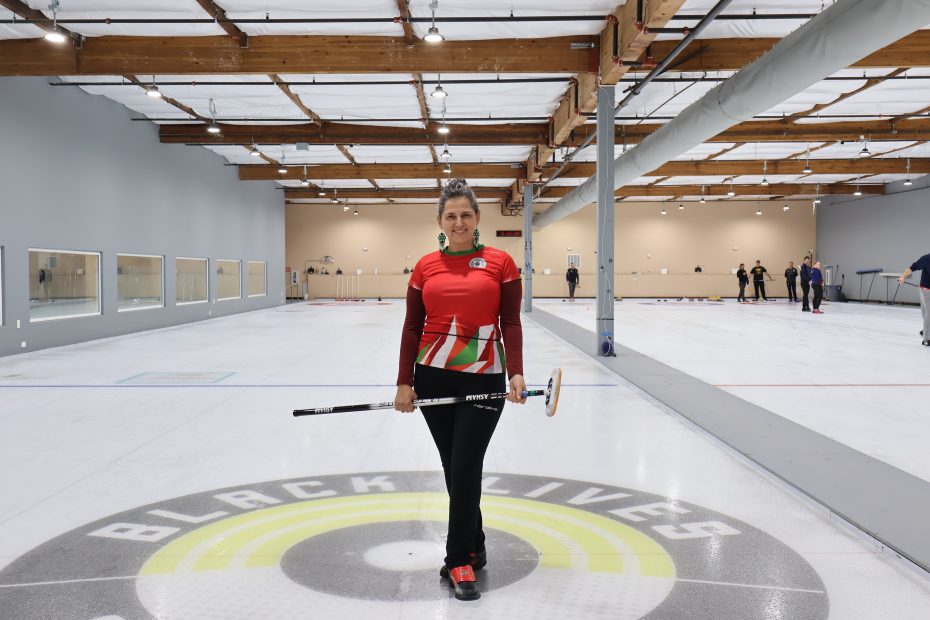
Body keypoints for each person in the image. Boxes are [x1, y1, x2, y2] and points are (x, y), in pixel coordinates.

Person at [394, 179, 526, 601]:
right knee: (455, 467)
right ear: (440, 221)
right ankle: (477, 544)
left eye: (466, 215)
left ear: (477, 219)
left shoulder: (501, 263)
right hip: (432, 376)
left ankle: (459, 560)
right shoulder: (425, 267)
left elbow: (512, 323)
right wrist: (403, 381)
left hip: (485, 377)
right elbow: (412, 325)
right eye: (450, 216)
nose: (458, 222)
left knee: (467, 464)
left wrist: (516, 374)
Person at [897, 251, 930, 346]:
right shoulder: (926, 259)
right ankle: (927, 339)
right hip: (926, 290)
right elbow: (913, 267)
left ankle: (926, 330)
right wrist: (902, 277)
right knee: (928, 313)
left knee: (927, 313)